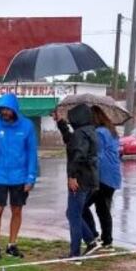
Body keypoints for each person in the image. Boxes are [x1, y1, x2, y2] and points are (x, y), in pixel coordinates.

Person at [0, 92, 38, 259]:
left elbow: (32, 153)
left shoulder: (27, 126)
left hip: (20, 176)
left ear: (15, 109)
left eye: (8, 109)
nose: (5, 112)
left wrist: (31, 177)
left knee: (17, 210)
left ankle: (12, 244)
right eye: (2, 109)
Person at [56, 103, 102, 259]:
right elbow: (71, 142)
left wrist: (72, 176)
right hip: (90, 179)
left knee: (74, 215)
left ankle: (75, 254)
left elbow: (79, 155)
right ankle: (91, 241)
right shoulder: (88, 131)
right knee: (73, 213)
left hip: (80, 179)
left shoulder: (80, 134)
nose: (70, 119)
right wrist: (60, 124)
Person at [82, 107, 122, 250]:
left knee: (82, 206)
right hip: (113, 176)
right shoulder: (111, 131)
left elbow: (96, 155)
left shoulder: (99, 133)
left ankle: (93, 235)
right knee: (103, 209)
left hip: (102, 176)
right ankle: (107, 240)